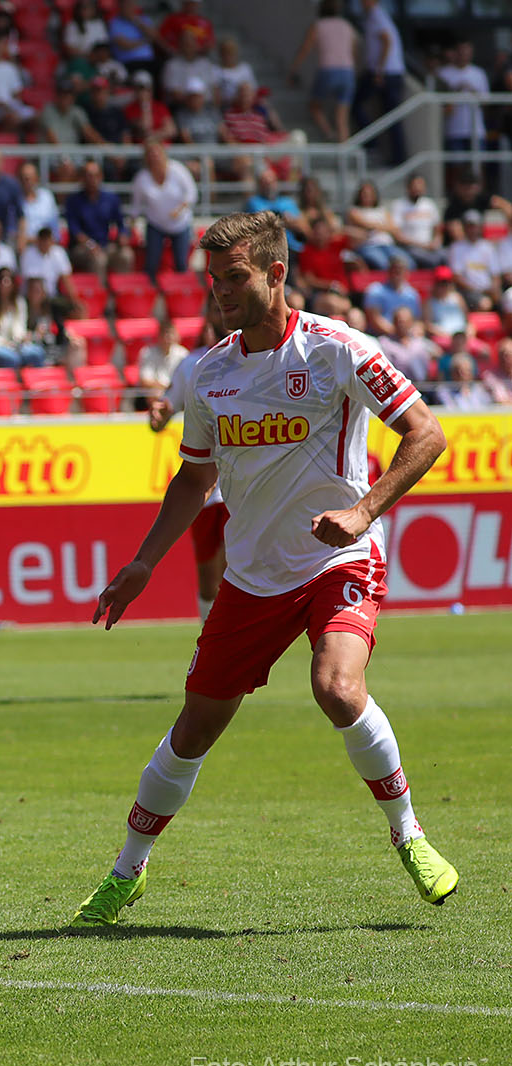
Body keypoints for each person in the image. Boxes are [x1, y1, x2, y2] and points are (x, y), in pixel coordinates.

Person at [73, 209, 458, 927]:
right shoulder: (207, 372)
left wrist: (364, 512)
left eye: (233, 276)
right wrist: (142, 563)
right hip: (251, 579)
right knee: (193, 731)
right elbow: (193, 479)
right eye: (211, 278)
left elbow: (426, 434)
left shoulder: (339, 349)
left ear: (276, 272)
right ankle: (127, 871)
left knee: (336, 687)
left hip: (336, 559)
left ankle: (411, 836)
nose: (218, 290)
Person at [145, 311, 229, 623]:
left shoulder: (259, 358)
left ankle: (232, 637)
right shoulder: (193, 364)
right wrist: (159, 415)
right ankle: (210, 636)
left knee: (237, 570)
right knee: (209, 580)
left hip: (247, 487)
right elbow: (168, 405)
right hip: (204, 488)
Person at [289, 0, 359, 144]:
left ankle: (328, 132)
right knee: (342, 118)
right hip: (348, 72)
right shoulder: (347, 26)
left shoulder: (318, 26)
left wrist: (293, 70)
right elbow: (353, 52)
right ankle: (343, 152)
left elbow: (305, 49)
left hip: (328, 71)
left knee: (314, 106)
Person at [132, 141, 197, 278]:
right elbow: (136, 206)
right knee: (151, 262)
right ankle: (150, 293)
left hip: (180, 223)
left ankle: (181, 292)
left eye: (157, 154)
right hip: (156, 223)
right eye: (151, 155)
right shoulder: (141, 178)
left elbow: (192, 193)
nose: (155, 158)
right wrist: (131, 225)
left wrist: (179, 209)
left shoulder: (178, 170)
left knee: (181, 263)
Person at [353, 0, 406, 164]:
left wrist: (379, 70)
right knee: (389, 117)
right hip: (386, 72)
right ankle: (392, 155)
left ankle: (378, 147)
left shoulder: (377, 15)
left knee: (357, 104)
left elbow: (387, 40)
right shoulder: (373, 16)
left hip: (386, 73)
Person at [66, 158, 132, 277]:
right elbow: (75, 231)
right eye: (88, 176)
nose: (92, 179)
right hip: (82, 248)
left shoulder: (110, 199)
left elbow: (121, 223)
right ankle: (100, 293)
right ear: (82, 178)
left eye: (95, 175)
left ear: (101, 177)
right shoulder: (73, 201)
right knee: (99, 259)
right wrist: (90, 244)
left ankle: (122, 291)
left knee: (126, 255)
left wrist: (123, 235)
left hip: (105, 244)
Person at [0, 267, 44, 369]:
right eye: (2, 279)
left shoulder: (19, 302)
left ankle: (36, 383)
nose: (5, 283)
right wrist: (3, 342)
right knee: (11, 358)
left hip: (14, 345)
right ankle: (14, 383)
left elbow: (19, 328)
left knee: (36, 352)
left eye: (9, 279)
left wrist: (22, 337)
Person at [388, 173, 446, 269]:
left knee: (446, 256)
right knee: (432, 261)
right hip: (410, 247)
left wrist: (436, 241)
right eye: (415, 186)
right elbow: (397, 235)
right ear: (408, 187)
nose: (418, 189)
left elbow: (438, 229)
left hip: (430, 247)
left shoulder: (429, 204)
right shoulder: (399, 205)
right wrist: (422, 245)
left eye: (420, 186)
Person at [345, 179, 405, 270]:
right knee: (384, 265)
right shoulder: (354, 211)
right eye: (364, 194)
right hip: (368, 246)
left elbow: (395, 229)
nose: (367, 196)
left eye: (370, 194)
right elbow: (366, 225)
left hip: (388, 245)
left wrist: (376, 227)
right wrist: (384, 227)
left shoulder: (382, 210)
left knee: (407, 263)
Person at [362, 253, 421, 338]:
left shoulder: (412, 294)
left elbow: (416, 320)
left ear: (406, 272)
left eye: (401, 270)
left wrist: (413, 332)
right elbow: (374, 319)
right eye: (395, 270)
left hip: (406, 337)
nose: (397, 273)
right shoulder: (375, 291)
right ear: (389, 271)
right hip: (382, 337)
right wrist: (397, 332)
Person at [135, 315, 187, 402]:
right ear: (159, 335)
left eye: (171, 333)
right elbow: (145, 381)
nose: (168, 337)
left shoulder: (183, 354)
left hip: (177, 395)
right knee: (155, 394)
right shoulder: (147, 353)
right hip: (154, 395)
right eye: (165, 333)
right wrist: (166, 387)